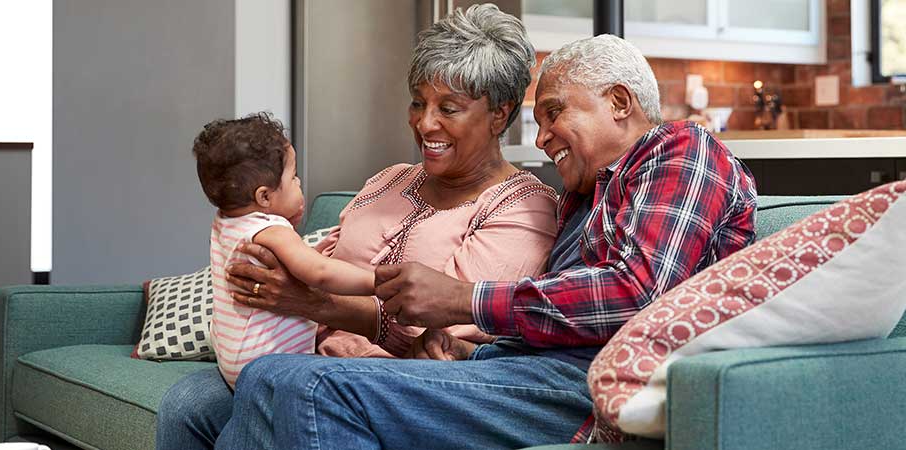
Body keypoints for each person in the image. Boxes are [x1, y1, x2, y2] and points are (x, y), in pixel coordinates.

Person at [212, 33, 758, 449]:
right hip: (526, 370)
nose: (541, 139)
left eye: (553, 114)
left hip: (591, 385)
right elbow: (555, 316)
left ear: (619, 101)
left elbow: (636, 291)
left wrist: (461, 300)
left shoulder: (682, 150)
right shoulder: (589, 196)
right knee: (243, 388)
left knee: (297, 383)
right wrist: (467, 345)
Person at [156, 4, 558, 449]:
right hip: (307, 353)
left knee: (272, 387)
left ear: (500, 115)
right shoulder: (390, 180)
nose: (425, 123)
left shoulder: (524, 207)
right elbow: (319, 257)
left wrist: (313, 303)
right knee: (188, 400)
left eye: (449, 107)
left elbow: (447, 333)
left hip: (390, 383)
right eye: (418, 102)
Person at [192, 113, 376, 388]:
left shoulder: (225, 222)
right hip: (270, 364)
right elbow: (320, 272)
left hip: (233, 360)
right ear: (264, 196)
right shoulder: (272, 230)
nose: (299, 183)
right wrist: (377, 281)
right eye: (294, 177)